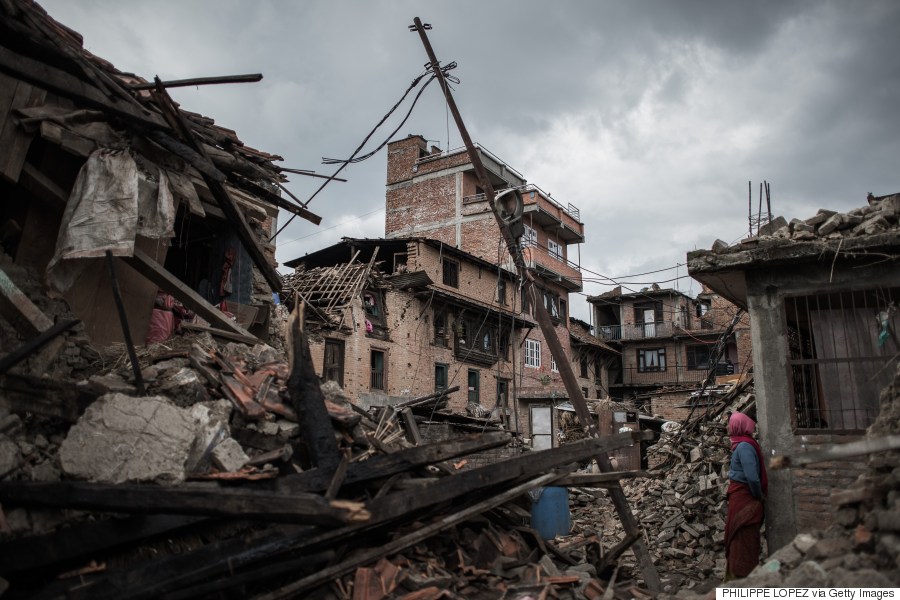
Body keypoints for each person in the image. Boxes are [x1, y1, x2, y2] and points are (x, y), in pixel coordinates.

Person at [724, 411, 768, 580]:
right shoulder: (741, 444)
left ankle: (742, 578)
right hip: (740, 496)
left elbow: (752, 477)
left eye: (730, 423)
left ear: (738, 425)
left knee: (744, 538)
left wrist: (758, 495)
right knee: (738, 536)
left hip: (745, 497)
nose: (728, 427)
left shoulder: (744, 447)